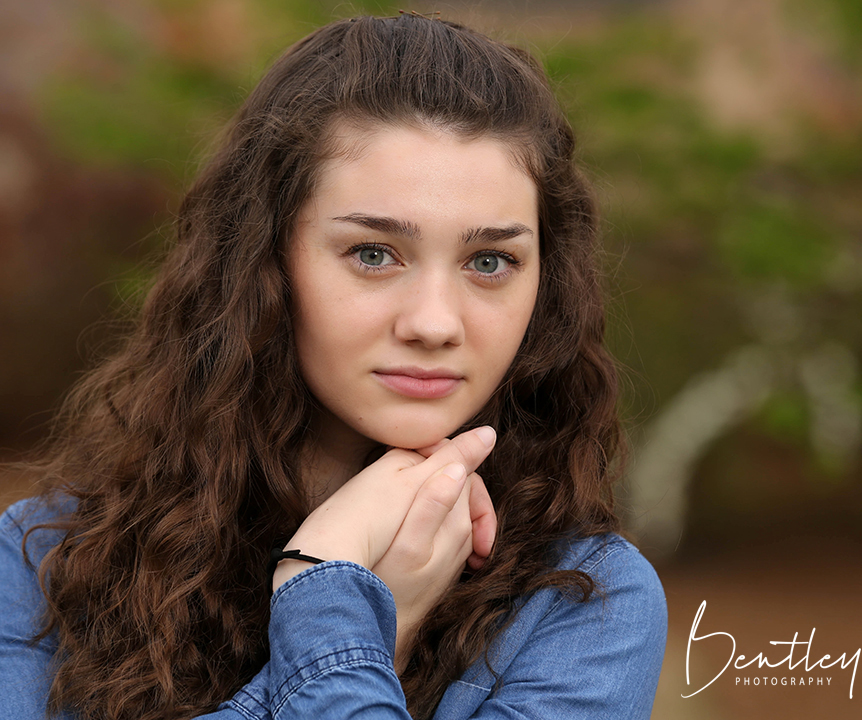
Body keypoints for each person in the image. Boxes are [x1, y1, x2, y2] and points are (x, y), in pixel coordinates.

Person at [0, 13, 667, 720]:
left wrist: (320, 587)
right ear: (263, 261)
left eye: (490, 261)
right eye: (374, 254)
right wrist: (359, 617)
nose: (435, 323)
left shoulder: (586, 604)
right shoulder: (41, 561)